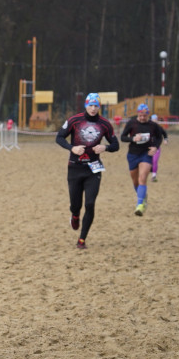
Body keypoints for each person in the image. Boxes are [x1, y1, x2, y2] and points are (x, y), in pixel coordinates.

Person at [55, 93, 120, 249]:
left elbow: (116, 144)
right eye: (90, 105)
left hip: (93, 169)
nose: (93, 108)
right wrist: (72, 148)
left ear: (99, 107)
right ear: (86, 105)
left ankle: (82, 239)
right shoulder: (75, 120)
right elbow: (59, 137)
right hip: (75, 168)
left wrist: (106, 147)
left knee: (90, 204)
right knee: (75, 204)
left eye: (96, 105)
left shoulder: (105, 124)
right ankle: (75, 215)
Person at [119, 103, 164, 216]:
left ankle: (140, 205)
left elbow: (159, 137)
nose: (142, 117)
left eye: (144, 115)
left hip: (146, 154)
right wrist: (133, 138)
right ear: (137, 114)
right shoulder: (131, 123)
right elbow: (123, 137)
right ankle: (143, 197)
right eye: (140, 115)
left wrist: (155, 147)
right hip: (133, 154)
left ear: (148, 115)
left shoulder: (153, 125)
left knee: (142, 178)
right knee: (135, 181)